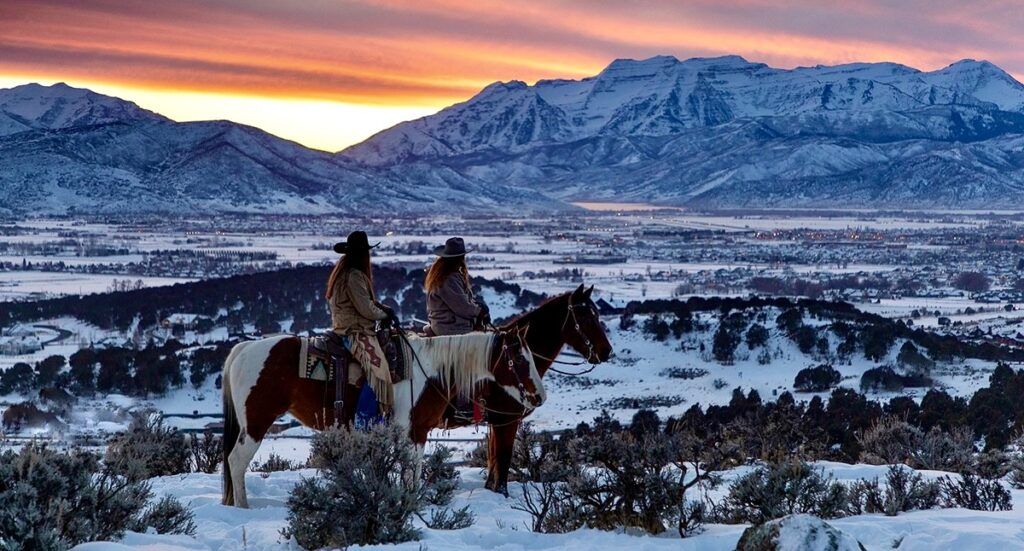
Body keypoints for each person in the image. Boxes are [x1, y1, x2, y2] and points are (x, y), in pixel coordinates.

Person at [326, 231, 398, 419]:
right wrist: (385, 314)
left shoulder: (343, 273)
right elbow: (366, 309)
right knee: (379, 371)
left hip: (346, 326)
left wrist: (381, 308)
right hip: (354, 331)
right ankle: (364, 420)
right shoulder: (354, 276)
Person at [425, 237, 490, 337]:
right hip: (450, 327)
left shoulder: (447, 275)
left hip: (447, 325)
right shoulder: (447, 280)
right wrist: (480, 312)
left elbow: (463, 301)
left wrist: (478, 306)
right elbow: (462, 307)